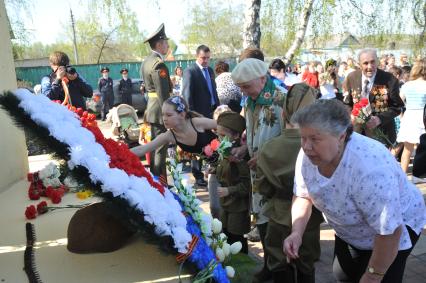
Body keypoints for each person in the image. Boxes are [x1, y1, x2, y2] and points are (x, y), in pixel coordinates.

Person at [283, 99, 425, 283]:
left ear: (341, 136)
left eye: (315, 139)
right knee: (343, 275)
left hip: (393, 232)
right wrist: (296, 232)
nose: (306, 146)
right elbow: (303, 196)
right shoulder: (308, 156)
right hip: (350, 228)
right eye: (303, 137)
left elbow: (389, 232)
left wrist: (373, 275)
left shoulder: (370, 169)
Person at [256, 84, 323, 283]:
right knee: (306, 264)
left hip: (278, 214)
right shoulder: (319, 146)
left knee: (279, 264)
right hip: (308, 216)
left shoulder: (269, 148)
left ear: (283, 112)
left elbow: (263, 187)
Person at [231, 58, 286, 282]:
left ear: (263, 78)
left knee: (276, 220)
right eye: (241, 87)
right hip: (257, 172)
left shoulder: (281, 99)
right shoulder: (251, 100)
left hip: (276, 172)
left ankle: (279, 267)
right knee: (261, 216)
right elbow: (254, 130)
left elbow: (289, 138)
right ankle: (269, 265)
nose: (243, 91)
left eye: (246, 86)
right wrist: (245, 148)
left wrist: (265, 156)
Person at [343, 48, 404, 146]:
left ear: (378, 61)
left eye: (372, 62)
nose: (370, 66)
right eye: (365, 63)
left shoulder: (389, 79)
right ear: (359, 64)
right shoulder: (351, 77)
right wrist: (351, 115)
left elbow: (397, 107)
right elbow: (347, 103)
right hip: (357, 133)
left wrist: (379, 119)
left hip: (381, 134)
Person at [182, 45, 219, 187]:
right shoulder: (190, 71)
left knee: (211, 143)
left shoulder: (209, 71)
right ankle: (197, 175)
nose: (206, 61)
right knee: (198, 144)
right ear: (197, 56)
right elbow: (187, 95)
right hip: (197, 115)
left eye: (208, 58)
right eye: (203, 58)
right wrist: (191, 116)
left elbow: (213, 90)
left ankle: (211, 171)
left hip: (211, 112)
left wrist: (218, 107)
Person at [131, 95, 216, 158]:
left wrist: (229, 150)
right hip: (217, 167)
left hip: (228, 159)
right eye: (163, 115)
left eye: (169, 115)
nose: (164, 119)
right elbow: (143, 149)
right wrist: (119, 152)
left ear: (182, 115)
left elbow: (225, 125)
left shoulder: (197, 123)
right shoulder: (169, 135)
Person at [140, 23, 173, 184]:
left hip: (152, 108)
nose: (168, 45)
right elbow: (162, 94)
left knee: (154, 146)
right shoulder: (158, 64)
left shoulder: (147, 61)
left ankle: (156, 180)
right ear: (159, 44)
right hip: (160, 110)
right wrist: (169, 114)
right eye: (166, 43)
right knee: (161, 148)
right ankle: (160, 183)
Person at [215, 111, 251, 254]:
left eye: (223, 135)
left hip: (238, 205)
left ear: (236, 135)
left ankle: (243, 265)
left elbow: (247, 185)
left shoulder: (239, 154)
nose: (220, 138)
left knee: (237, 238)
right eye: (218, 135)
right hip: (226, 203)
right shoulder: (225, 150)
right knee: (226, 233)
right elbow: (224, 171)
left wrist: (229, 190)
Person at [396, 58, 426, 173]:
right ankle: (417, 174)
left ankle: (402, 175)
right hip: (423, 117)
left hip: (409, 116)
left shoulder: (407, 85)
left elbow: (399, 101)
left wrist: (403, 112)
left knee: (407, 150)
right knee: (422, 149)